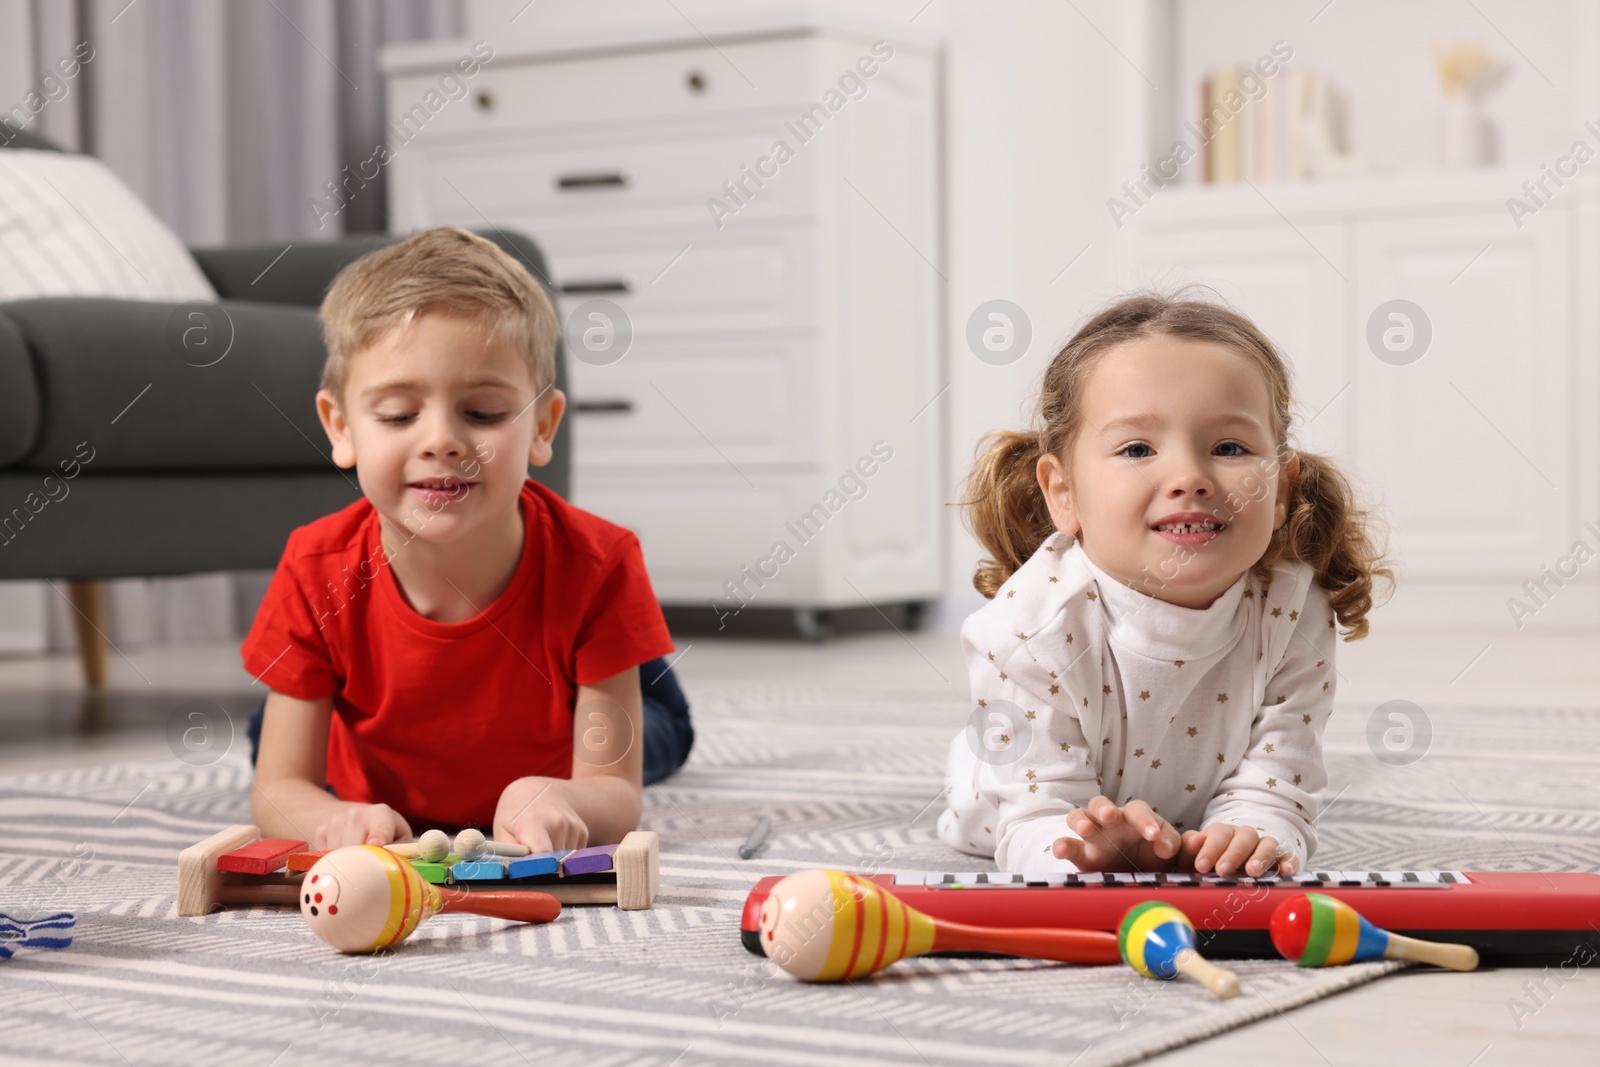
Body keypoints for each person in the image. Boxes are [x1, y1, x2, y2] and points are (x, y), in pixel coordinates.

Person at [241, 227, 693, 853]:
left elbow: (615, 793)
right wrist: (330, 821)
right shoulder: (315, 567)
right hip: (368, 730)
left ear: (542, 426)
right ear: (340, 429)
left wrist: (564, 798)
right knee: (266, 733)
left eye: (481, 414)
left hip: (561, 698)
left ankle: (647, 673)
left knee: (662, 733)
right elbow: (277, 792)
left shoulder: (603, 562)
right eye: (399, 415)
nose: (441, 442)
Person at [938, 291, 1394, 878]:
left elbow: (1278, 787)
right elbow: (1032, 822)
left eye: (1229, 447)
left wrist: (1254, 835)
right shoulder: (1021, 629)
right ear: (1063, 493)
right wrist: (1087, 851)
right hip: (1004, 797)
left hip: (1185, 809)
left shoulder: (1292, 608)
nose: (1189, 477)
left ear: (1280, 490)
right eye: (1137, 448)